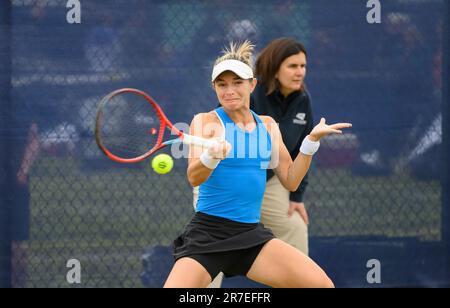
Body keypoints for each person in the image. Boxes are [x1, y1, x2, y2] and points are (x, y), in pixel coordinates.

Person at [164, 41, 351, 288]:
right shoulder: (205, 122)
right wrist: (212, 156)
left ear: (252, 84)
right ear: (214, 88)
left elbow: (290, 179)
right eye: (222, 84)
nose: (229, 90)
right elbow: (194, 177)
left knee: (321, 285)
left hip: (250, 235)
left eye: (237, 83)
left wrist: (310, 143)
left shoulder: (268, 126)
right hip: (208, 235)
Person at [251, 38, 313, 256]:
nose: (300, 72)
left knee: (295, 227)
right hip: (233, 180)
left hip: (271, 180)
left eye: (303, 66)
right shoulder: (248, 94)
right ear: (275, 69)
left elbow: (302, 151)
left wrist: (297, 197)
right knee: (213, 246)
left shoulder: (303, 100)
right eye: (292, 66)